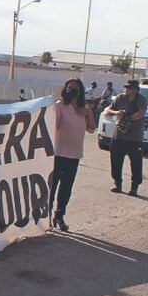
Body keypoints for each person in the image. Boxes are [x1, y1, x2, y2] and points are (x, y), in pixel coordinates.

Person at [49, 78, 96, 231]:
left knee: (66, 188)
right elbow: (53, 126)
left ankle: (59, 215)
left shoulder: (84, 109)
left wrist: (88, 113)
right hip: (58, 153)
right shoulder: (59, 106)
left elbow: (91, 129)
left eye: (75, 88)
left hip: (74, 155)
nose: (72, 90)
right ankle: (46, 215)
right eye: (69, 87)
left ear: (80, 91)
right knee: (52, 186)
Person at [102, 79, 148, 196]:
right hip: (119, 136)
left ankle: (134, 187)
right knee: (116, 161)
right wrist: (117, 113)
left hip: (134, 137)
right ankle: (117, 183)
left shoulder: (141, 99)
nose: (127, 90)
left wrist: (128, 117)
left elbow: (141, 113)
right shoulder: (120, 98)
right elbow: (107, 110)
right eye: (126, 87)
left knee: (136, 163)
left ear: (136, 90)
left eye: (130, 88)